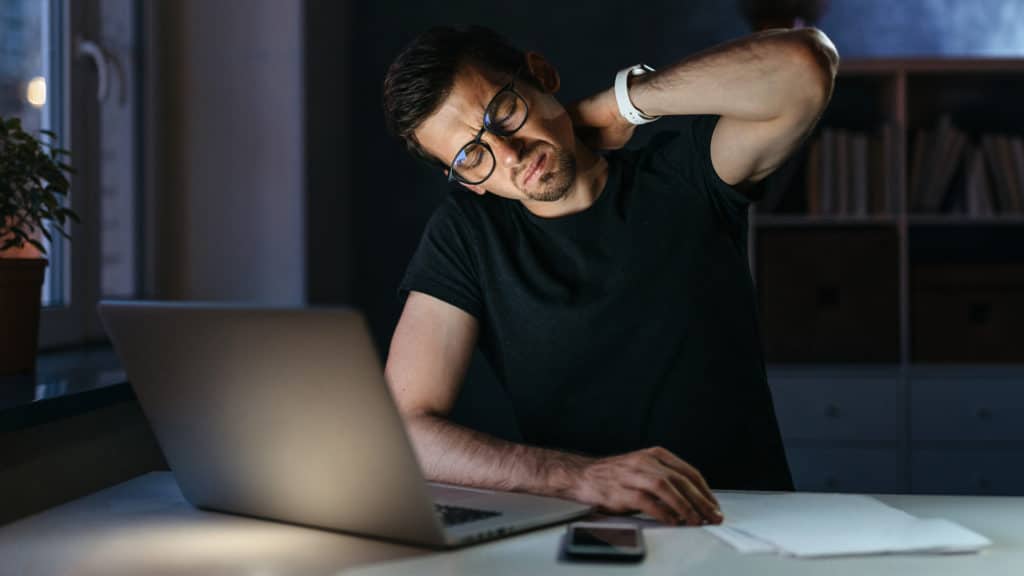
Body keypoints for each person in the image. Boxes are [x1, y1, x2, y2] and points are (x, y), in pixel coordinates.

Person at [381, 25, 838, 526]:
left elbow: (804, 66)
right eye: (471, 156)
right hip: (590, 533)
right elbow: (405, 430)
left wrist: (623, 102)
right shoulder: (468, 234)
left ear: (541, 75)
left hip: (745, 522)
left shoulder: (685, 175)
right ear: (469, 182)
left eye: (502, 113)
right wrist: (576, 476)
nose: (509, 155)